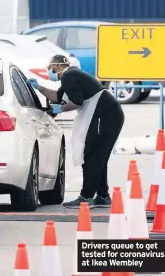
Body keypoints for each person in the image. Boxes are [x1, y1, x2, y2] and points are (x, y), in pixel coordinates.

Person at [27, 55, 125, 209]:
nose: (48, 70)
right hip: (107, 113)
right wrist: (39, 87)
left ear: (58, 66)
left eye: (50, 67)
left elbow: (76, 101)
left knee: (91, 155)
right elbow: (58, 97)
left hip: (105, 114)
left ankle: (86, 196)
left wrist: (61, 108)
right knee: (98, 156)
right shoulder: (70, 75)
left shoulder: (69, 75)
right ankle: (103, 196)